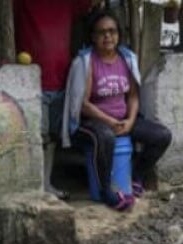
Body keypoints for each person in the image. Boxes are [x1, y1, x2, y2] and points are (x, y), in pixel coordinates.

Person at [62, 12, 173, 211]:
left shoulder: (126, 59)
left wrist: (130, 120)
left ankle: (136, 176)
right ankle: (107, 192)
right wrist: (110, 122)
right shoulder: (86, 62)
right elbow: (83, 104)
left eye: (112, 31)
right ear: (93, 36)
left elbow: (132, 96)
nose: (107, 37)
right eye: (102, 32)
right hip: (91, 124)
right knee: (105, 137)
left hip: (122, 120)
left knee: (161, 136)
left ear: (119, 34)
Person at [15, 0, 100, 199]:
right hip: (32, 83)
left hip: (62, 82)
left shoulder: (68, 3)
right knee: (38, 137)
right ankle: (35, 188)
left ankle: (46, 185)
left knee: (52, 136)